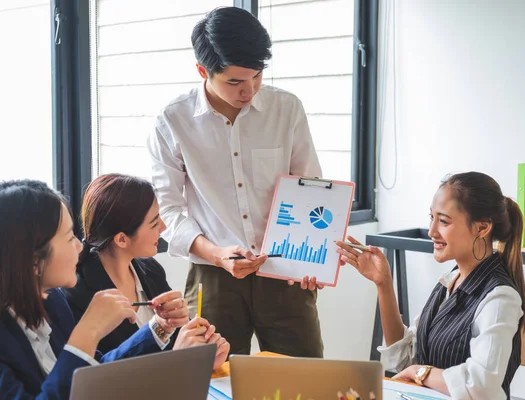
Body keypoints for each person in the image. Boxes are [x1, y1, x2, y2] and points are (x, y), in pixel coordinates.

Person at [147, 6, 323, 357]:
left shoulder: (286, 108)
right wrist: (216, 254)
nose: (250, 89)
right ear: (203, 70)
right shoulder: (173, 120)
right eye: (235, 82)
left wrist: (315, 258)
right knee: (210, 376)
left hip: (284, 270)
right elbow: (168, 209)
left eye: (257, 76)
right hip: (213, 276)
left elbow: (310, 188)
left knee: (305, 377)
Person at [336, 172, 524, 399]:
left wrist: (422, 373)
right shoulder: (451, 280)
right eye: (431, 217)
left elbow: (482, 385)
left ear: (482, 228)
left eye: (443, 221)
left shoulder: (500, 297)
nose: (432, 231)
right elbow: (407, 358)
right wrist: (383, 283)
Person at [0, 180, 163, 399]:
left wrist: (159, 328)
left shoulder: (53, 300)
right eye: (70, 237)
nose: (79, 246)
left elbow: (92, 373)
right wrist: (88, 332)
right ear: (33, 261)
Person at [64, 173, 230, 368]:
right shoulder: (77, 294)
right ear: (122, 239)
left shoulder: (150, 271)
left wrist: (204, 353)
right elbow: (99, 374)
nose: (163, 227)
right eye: (154, 223)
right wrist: (179, 358)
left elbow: (179, 341)